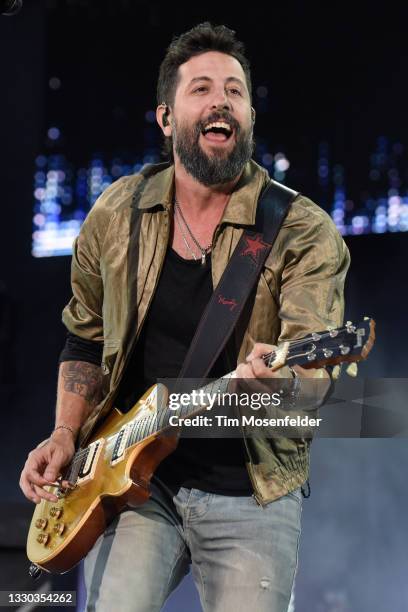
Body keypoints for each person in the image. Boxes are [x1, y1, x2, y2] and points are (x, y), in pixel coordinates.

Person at [19, 22, 350, 612]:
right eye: (201, 88)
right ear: (167, 119)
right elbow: (85, 340)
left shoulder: (302, 231)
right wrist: (67, 433)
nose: (221, 100)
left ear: (248, 116)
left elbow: (314, 372)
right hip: (133, 484)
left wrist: (283, 381)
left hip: (251, 491)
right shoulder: (117, 214)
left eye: (235, 91)